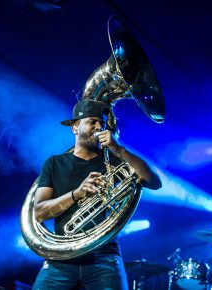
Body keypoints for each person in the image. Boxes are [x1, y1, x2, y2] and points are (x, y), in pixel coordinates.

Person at [32, 99, 162, 290]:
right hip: (62, 258)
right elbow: (39, 212)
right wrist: (77, 193)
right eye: (92, 121)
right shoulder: (54, 163)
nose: (99, 126)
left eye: (101, 122)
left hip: (104, 257)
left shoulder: (115, 161)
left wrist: (118, 149)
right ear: (75, 128)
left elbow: (154, 182)